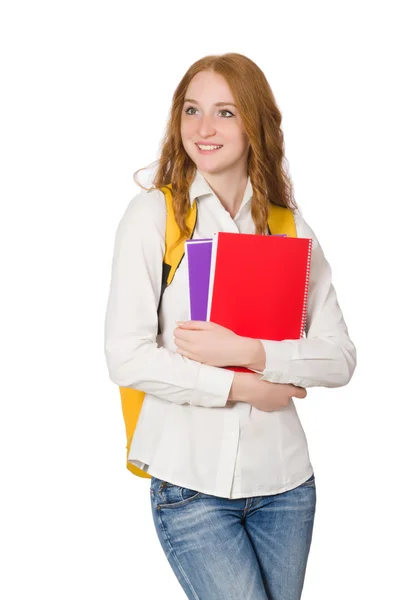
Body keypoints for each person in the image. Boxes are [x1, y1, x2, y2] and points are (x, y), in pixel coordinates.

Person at [104, 53, 357, 600]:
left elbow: (339, 357)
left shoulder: (290, 229)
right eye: (192, 110)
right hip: (191, 488)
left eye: (225, 112)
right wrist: (242, 386)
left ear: (255, 124)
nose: (202, 128)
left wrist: (250, 350)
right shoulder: (155, 217)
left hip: (286, 486)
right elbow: (126, 355)